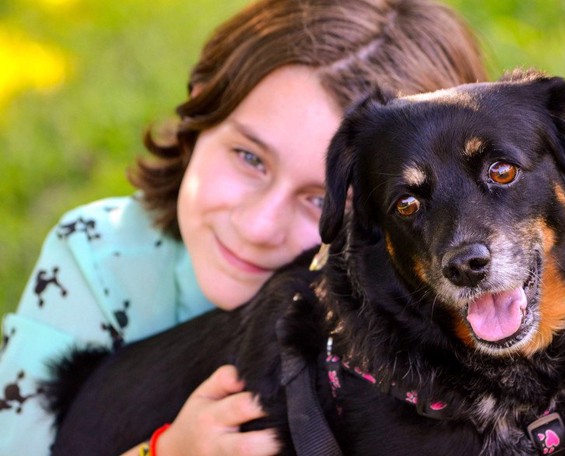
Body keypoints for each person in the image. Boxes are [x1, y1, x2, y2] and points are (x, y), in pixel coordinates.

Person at [0, 0, 487, 454]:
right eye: (249, 157)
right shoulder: (95, 259)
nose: (259, 226)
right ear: (202, 109)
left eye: (320, 198)